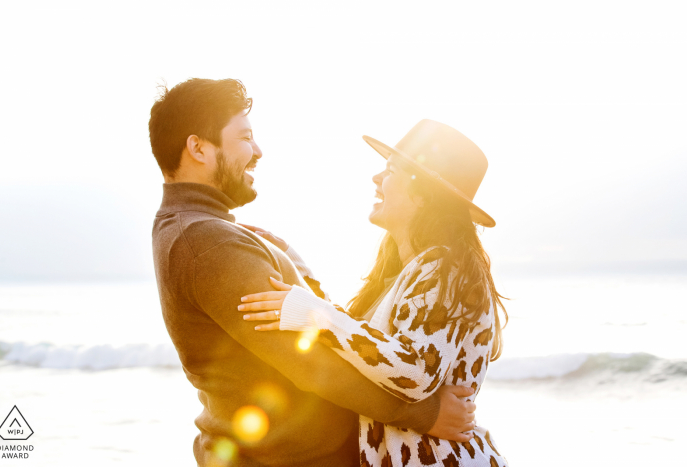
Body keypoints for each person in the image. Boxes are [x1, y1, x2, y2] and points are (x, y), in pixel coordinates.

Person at [148, 79, 478, 467]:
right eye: (245, 137)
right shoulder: (206, 240)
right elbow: (307, 360)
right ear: (198, 147)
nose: (258, 151)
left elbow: (327, 328)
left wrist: (293, 261)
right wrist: (426, 414)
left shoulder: (199, 231)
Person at [239, 120, 509, 466]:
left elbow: (415, 374)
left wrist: (315, 315)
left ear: (423, 192)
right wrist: (294, 263)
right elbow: (363, 342)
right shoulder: (411, 268)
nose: (376, 179)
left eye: (391, 170)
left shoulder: (445, 266)